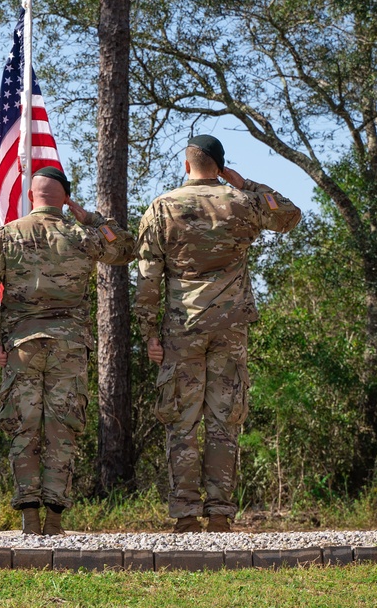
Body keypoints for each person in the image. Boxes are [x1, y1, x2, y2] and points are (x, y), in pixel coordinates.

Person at [134, 135, 301, 534]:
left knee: (182, 419)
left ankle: (187, 515)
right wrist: (246, 185)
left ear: (186, 164)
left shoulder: (162, 208)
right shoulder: (241, 203)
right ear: (221, 166)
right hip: (230, 328)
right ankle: (221, 514)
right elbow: (289, 216)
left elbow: (147, 279)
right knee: (225, 420)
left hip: (181, 328)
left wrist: (148, 334)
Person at [0, 167, 135, 536]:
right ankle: (55, 518)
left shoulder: (6, 236)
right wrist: (89, 216)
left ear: (31, 197)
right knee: (63, 428)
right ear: (64, 199)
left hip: (21, 347)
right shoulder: (82, 234)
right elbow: (125, 246)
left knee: (23, 427)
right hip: (69, 347)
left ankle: (29, 515)